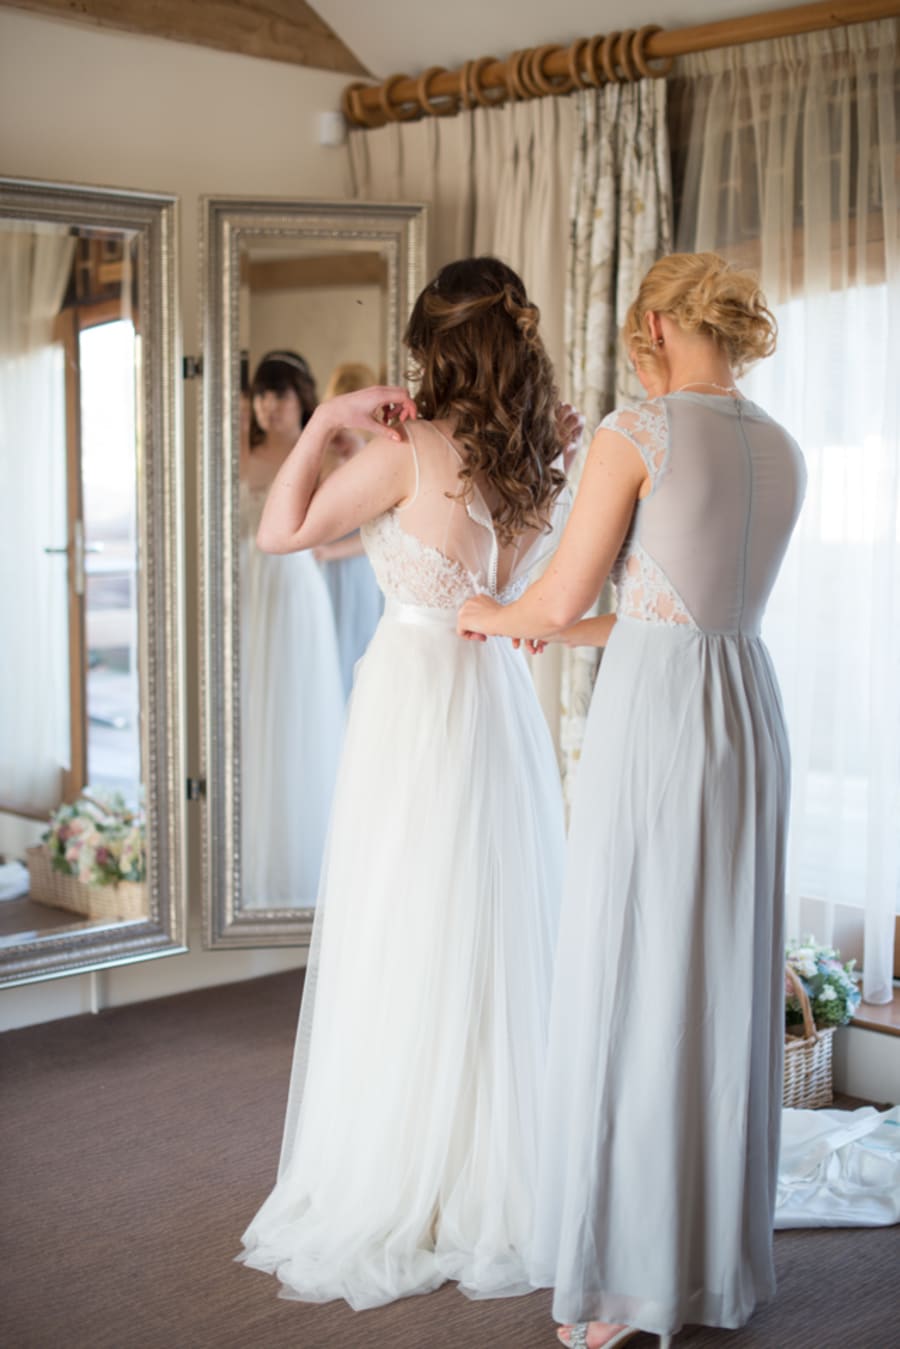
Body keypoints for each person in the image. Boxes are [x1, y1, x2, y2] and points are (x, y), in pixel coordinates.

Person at [459, 253, 807, 1349]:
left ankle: (621, 1278)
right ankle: (706, 1254)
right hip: (744, 703)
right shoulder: (783, 446)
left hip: (660, 726)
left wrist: (480, 611)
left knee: (636, 966)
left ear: (653, 324)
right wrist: (548, 616)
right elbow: (680, 613)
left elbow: (563, 599)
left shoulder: (636, 430)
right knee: (717, 968)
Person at [237, 258, 577, 1309]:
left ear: (436, 350)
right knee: (491, 923)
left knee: (404, 924)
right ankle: (498, 1160)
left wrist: (329, 416)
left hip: (412, 706)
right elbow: (530, 592)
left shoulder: (405, 451)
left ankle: (406, 1164)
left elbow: (279, 529)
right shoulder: (542, 457)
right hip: (493, 705)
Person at [238, 350, 344, 909]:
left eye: (278, 394)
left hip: (294, 590)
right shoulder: (240, 453)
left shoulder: (322, 458)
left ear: (301, 398)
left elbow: (370, 522)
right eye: (260, 394)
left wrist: (331, 548)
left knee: (294, 712)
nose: (267, 405)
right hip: (247, 591)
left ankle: (297, 864)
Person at [313, 361, 385, 697]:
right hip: (322, 569)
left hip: (358, 569)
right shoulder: (321, 455)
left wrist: (330, 552)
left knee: (356, 647)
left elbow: (379, 533)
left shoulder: (376, 456)